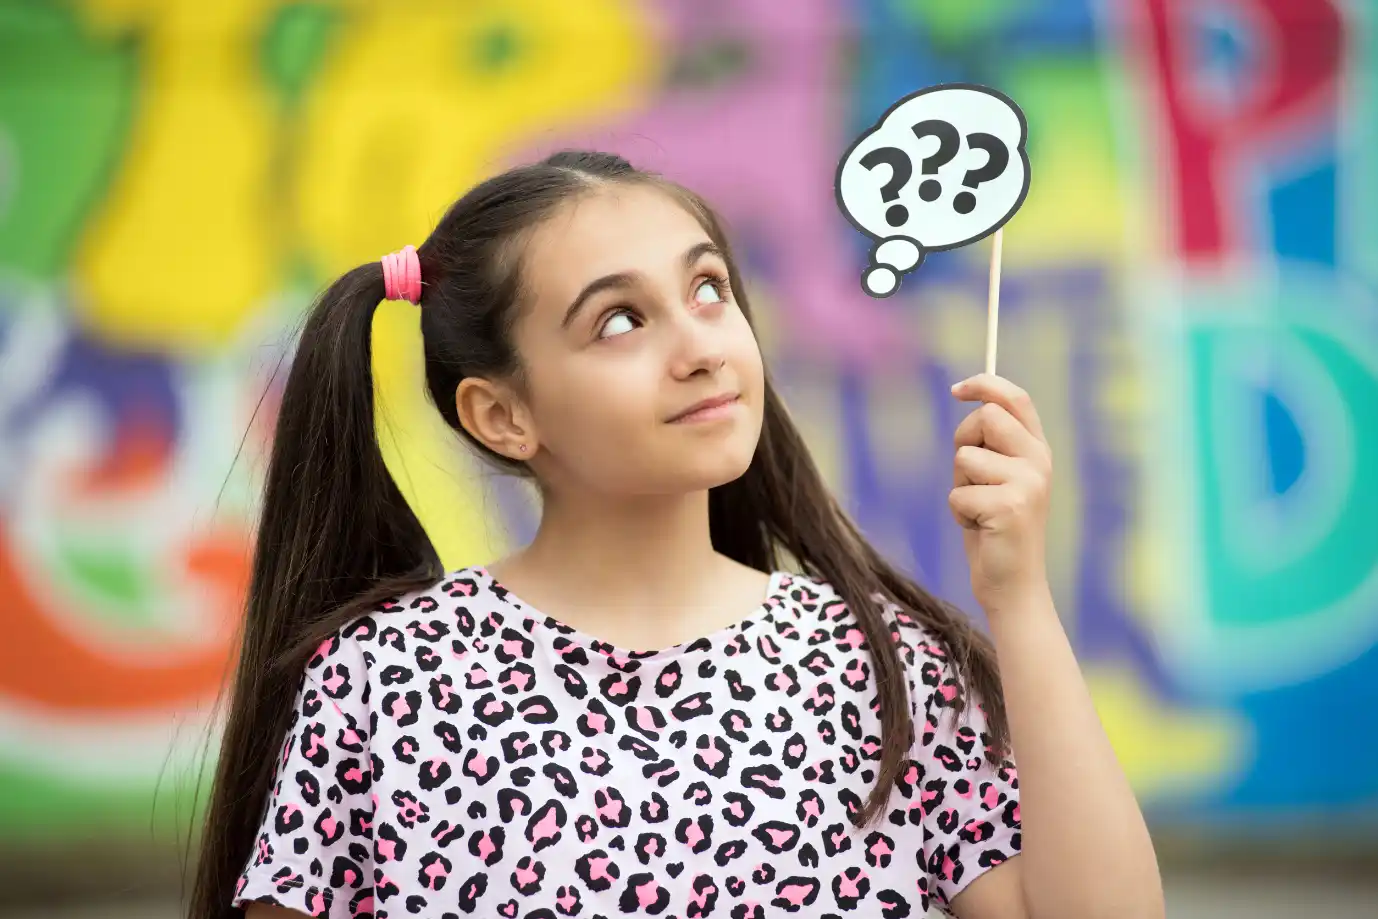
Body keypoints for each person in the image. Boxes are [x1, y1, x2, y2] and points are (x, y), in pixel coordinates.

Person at [188, 151, 1163, 919]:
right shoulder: (382, 679)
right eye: (619, 321)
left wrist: (1019, 599)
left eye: (708, 290)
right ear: (501, 416)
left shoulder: (883, 668)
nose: (700, 345)